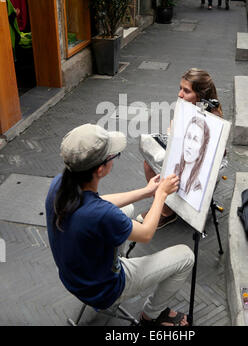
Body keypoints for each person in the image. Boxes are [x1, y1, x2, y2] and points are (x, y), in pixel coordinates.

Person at [45, 123, 194, 326]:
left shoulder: (60, 183)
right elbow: (147, 233)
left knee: (128, 210)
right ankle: (152, 315)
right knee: (185, 256)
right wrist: (161, 195)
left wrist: (146, 191)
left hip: (73, 276)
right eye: (113, 156)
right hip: (104, 290)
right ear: (101, 169)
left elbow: (99, 203)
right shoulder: (101, 214)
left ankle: (118, 261)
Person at [137, 68, 223, 228]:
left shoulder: (213, 117)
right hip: (182, 150)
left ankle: (166, 212)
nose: (180, 94)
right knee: (149, 162)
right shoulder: (186, 106)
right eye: (180, 88)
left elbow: (211, 154)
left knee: (167, 170)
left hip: (199, 162)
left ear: (200, 95)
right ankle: (164, 204)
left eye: (186, 91)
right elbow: (175, 131)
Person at [174, 116, 210, 201]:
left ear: (202, 149)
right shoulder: (175, 169)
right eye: (188, 137)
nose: (189, 145)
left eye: (195, 140)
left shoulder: (196, 189)